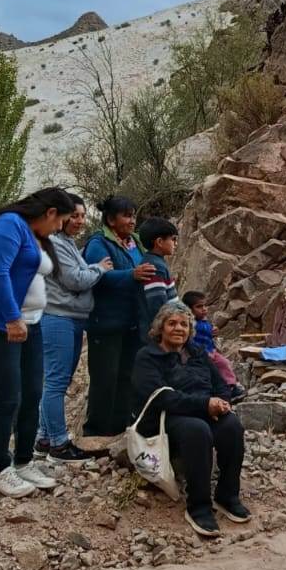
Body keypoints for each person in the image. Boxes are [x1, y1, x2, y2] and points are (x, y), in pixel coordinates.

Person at [0, 187, 75, 497]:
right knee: (8, 396)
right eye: (60, 221)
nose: (59, 228)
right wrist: (12, 317)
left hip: (31, 325)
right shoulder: (8, 225)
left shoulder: (35, 234)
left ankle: (24, 461)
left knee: (31, 393)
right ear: (50, 212)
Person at [132, 300, 248, 538]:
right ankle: (199, 506)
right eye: (172, 323)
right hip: (168, 417)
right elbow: (162, 398)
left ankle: (227, 496)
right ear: (161, 328)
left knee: (232, 426)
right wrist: (205, 405)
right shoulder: (148, 356)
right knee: (197, 430)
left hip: (206, 410)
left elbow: (220, 384)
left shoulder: (197, 353)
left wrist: (223, 403)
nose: (178, 328)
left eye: (184, 324)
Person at [36, 193, 111, 463]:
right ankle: (58, 443)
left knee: (59, 380)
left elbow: (77, 272)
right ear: (61, 216)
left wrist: (91, 268)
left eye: (82, 215)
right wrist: (100, 269)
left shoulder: (66, 243)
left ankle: (44, 438)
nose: (79, 221)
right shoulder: (55, 243)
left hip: (70, 318)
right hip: (58, 318)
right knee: (56, 381)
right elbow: (74, 279)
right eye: (74, 215)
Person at [83, 196, 156, 438]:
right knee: (105, 377)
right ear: (111, 220)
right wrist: (131, 275)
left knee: (127, 375)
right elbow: (98, 277)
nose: (132, 221)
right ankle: (96, 433)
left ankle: (121, 428)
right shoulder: (99, 243)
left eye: (134, 215)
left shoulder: (134, 241)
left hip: (133, 321)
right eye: (126, 216)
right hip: (106, 323)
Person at [181, 290, 246, 403]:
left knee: (224, 363)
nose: (204, 309)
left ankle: (231, 387)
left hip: (211, 351)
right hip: (200, 354)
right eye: (199, 306)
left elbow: (208, 334)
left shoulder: (204, 321)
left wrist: (213, 331)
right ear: (189, 309)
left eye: (205, 305)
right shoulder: (190, 323)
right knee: (210, 371)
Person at [138, 216, 179, 328]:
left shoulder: (155, 261)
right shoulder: (155, 267)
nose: (175, 244)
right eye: (173, 239)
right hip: (159, 333)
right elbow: (158, 306)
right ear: (160, 242)